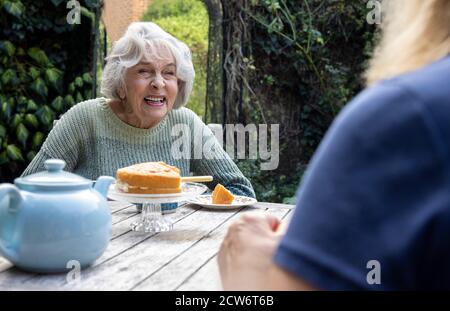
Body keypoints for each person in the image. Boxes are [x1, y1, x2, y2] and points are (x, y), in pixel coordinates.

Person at [218, 0, 450, 290]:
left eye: (168, 73)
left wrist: (248, 273)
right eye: (143, 71)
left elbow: (237, 187)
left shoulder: (403, 114)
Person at [22, 22, 255, 199]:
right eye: (144, 71)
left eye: (169, 72)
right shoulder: (85, 118)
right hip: (93, 243)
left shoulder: (185, 124)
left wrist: (189, 201)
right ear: (121, 82)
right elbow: (28, 189)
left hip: (172, 250)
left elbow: (240, 191)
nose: (159, 83)